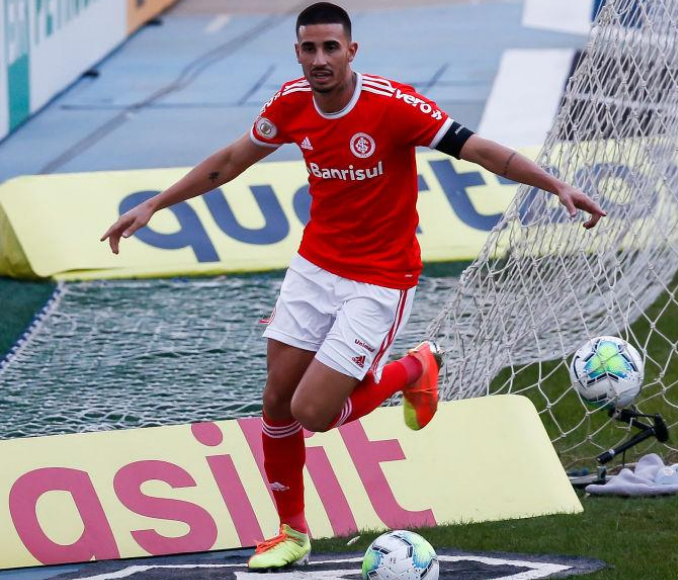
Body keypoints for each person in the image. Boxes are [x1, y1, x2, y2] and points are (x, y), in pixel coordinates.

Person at [101, 1, 605, 571]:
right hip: (314, 270)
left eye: (330, 48)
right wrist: (153, 204)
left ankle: (415, 368)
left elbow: (482, 150)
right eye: (309, 48)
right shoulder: (291, 103)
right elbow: (231, 160)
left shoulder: (393, 107)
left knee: (312, 411)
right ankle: (291, 533)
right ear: (297, 53)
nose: (320, 59)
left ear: (351, 51)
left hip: (379, 281)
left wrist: (554, 184)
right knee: (275, 402)